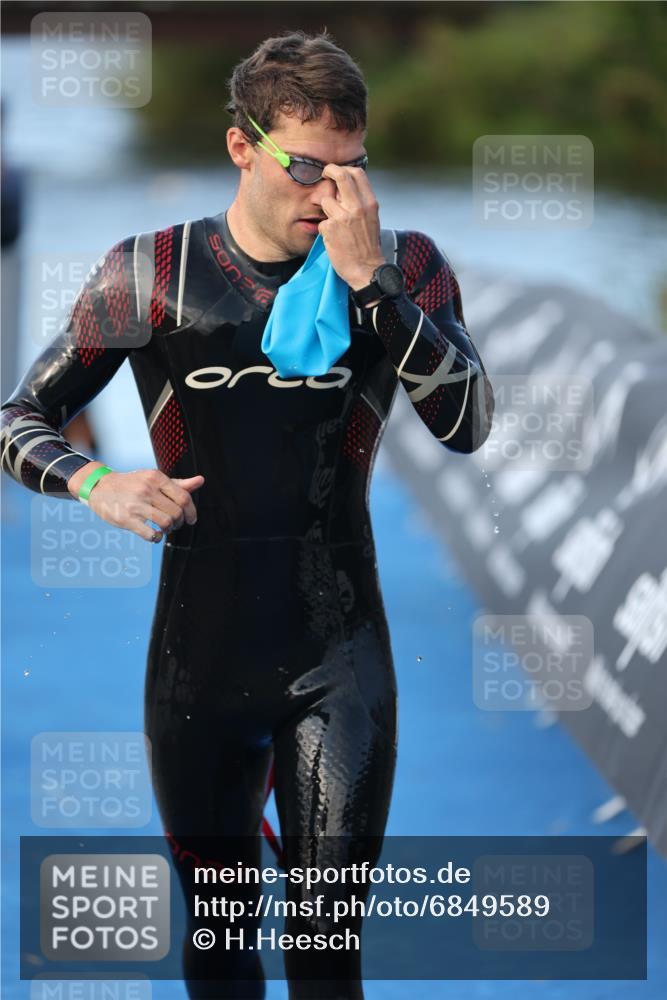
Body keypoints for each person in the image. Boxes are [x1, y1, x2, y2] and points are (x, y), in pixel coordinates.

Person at [1, 29, 494, 1000]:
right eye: (306, 166)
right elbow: (17, 419)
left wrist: (375, 287)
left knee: (324, 946)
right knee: (222, 943)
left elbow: (467, 423)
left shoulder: (405, 268)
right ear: (242, 149)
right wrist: (96, 482)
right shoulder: (149, 273)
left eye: (351, 171)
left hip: (338, 653)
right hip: (199, 661)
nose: (330, 195)